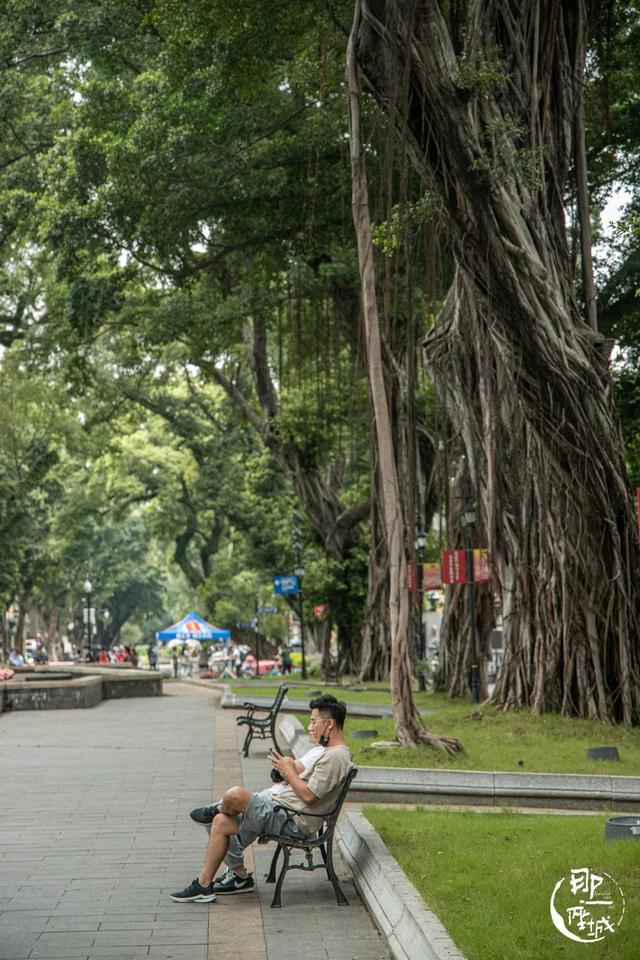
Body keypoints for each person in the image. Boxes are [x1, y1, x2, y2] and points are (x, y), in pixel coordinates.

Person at [171, 694, 351, 903]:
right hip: (280, 809)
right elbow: (301, 775)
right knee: (220, 822)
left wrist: (288, 771)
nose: (310, 726)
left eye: (313, 721)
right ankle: (212, 883)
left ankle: (219, 807)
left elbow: (309, 797)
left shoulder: (336, 756)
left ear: (329, 724)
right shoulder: (325, 751)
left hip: (293, 820)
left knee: (236, 795)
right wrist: (287, 769)